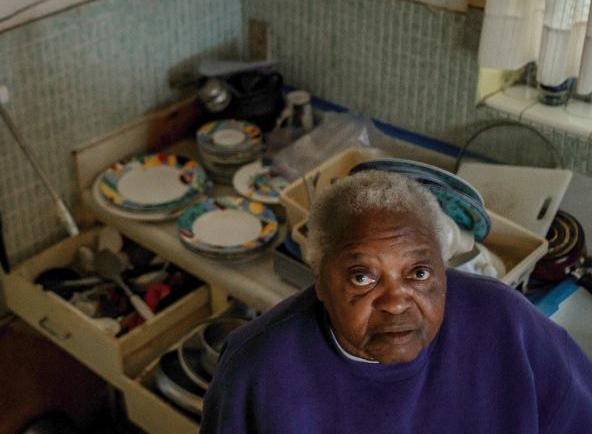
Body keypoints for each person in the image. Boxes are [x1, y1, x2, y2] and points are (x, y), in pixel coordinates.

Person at [200, 170, 592, 433]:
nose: (396, 303)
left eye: (419, 274)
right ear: (319, 282)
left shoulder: (508, 323)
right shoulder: (257, 369)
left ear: (443, 268)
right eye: (362, 277)